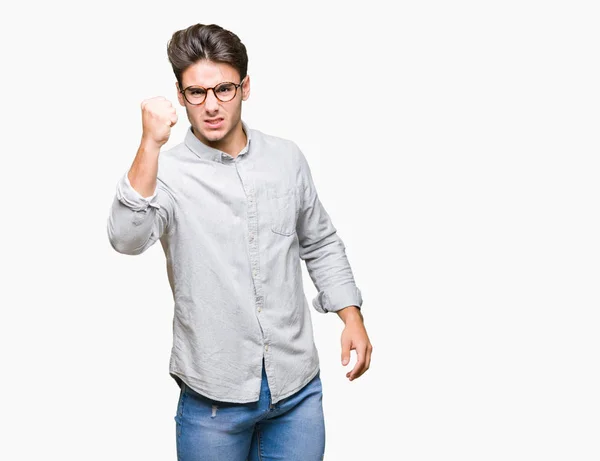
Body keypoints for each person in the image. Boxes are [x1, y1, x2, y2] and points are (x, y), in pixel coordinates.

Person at [106, 23, 372, 461]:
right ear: (181, 94)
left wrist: (351, 315)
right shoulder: (164, 174)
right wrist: (149, 145)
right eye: (197, 93)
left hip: (297, 391)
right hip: (213, 398)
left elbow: (319, 241)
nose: (211, 105)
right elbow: (125, 239)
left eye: (224, 89)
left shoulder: (286, 158)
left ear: (245, 87)